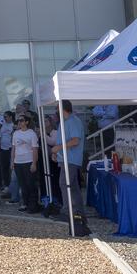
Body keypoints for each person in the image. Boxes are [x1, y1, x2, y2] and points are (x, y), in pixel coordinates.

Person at [52, 101, 89, 236]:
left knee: (65, 184)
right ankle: (78, 213)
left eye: (57, 108)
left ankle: (68, 212)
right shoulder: (65, 122)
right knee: (72, 187)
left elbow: (75, 141)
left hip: (71, 160)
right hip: (66, 159)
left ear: (63, 109)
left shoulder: (73, 121)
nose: (56, 111)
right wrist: (57, 153)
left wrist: (58, 148)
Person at [11, 114, 40, 213]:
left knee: (30, 184)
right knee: (23, 185)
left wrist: (34, 163)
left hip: (28, 162)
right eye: (18, 121)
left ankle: (33, 205)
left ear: (26, 122)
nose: (19, 122)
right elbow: (14, 148)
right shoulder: (15, 133)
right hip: (18, 162)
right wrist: (12, 161)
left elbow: (35, 149)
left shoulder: (31, 133)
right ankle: (25, 203)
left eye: (22, 120)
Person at [0, 110, 14, 191]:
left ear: (10, 117)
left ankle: (12, 185)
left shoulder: (13, 125)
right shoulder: (3, 125)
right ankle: (6, 185)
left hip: (11, 149)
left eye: (6, 116)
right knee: (4, 168)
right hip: (3, 149)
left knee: (11, 168)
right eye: (4, 117)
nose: (5, 118)